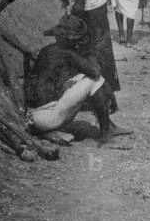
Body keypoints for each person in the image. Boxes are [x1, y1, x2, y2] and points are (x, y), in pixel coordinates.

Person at [24, 15, 120, 145]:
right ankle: (106, 133)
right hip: (48, 118)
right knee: (94, 80)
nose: (78, 43)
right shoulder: (66, 53)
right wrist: (90, 54)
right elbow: (95, 72)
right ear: (70, 39)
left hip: (33, 117)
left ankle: (109, 126)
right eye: (78, 40)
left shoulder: (46, 50)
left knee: (81, 78)